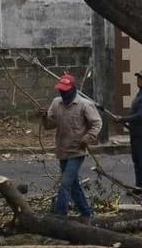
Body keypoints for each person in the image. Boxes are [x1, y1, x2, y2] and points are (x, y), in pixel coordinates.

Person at [40, 74, 102, 221]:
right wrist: (43, 117)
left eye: (66, 90)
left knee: (65, 183)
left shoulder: (84, 104)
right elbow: (50, 125)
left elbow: (97, 123)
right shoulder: (56, 103)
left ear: (73, 89)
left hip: (77, 151)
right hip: (62, 150)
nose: (63, 93)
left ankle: (59, 216)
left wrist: (87, 138)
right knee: (73, 185)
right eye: (61, 90)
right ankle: (86, 213)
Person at [114, 69, 142, 198]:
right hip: (135, 130)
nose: (139, 80)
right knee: (137, 160)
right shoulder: (141, 94)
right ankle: (139, 186)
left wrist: (123, 119)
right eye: (138, 78)